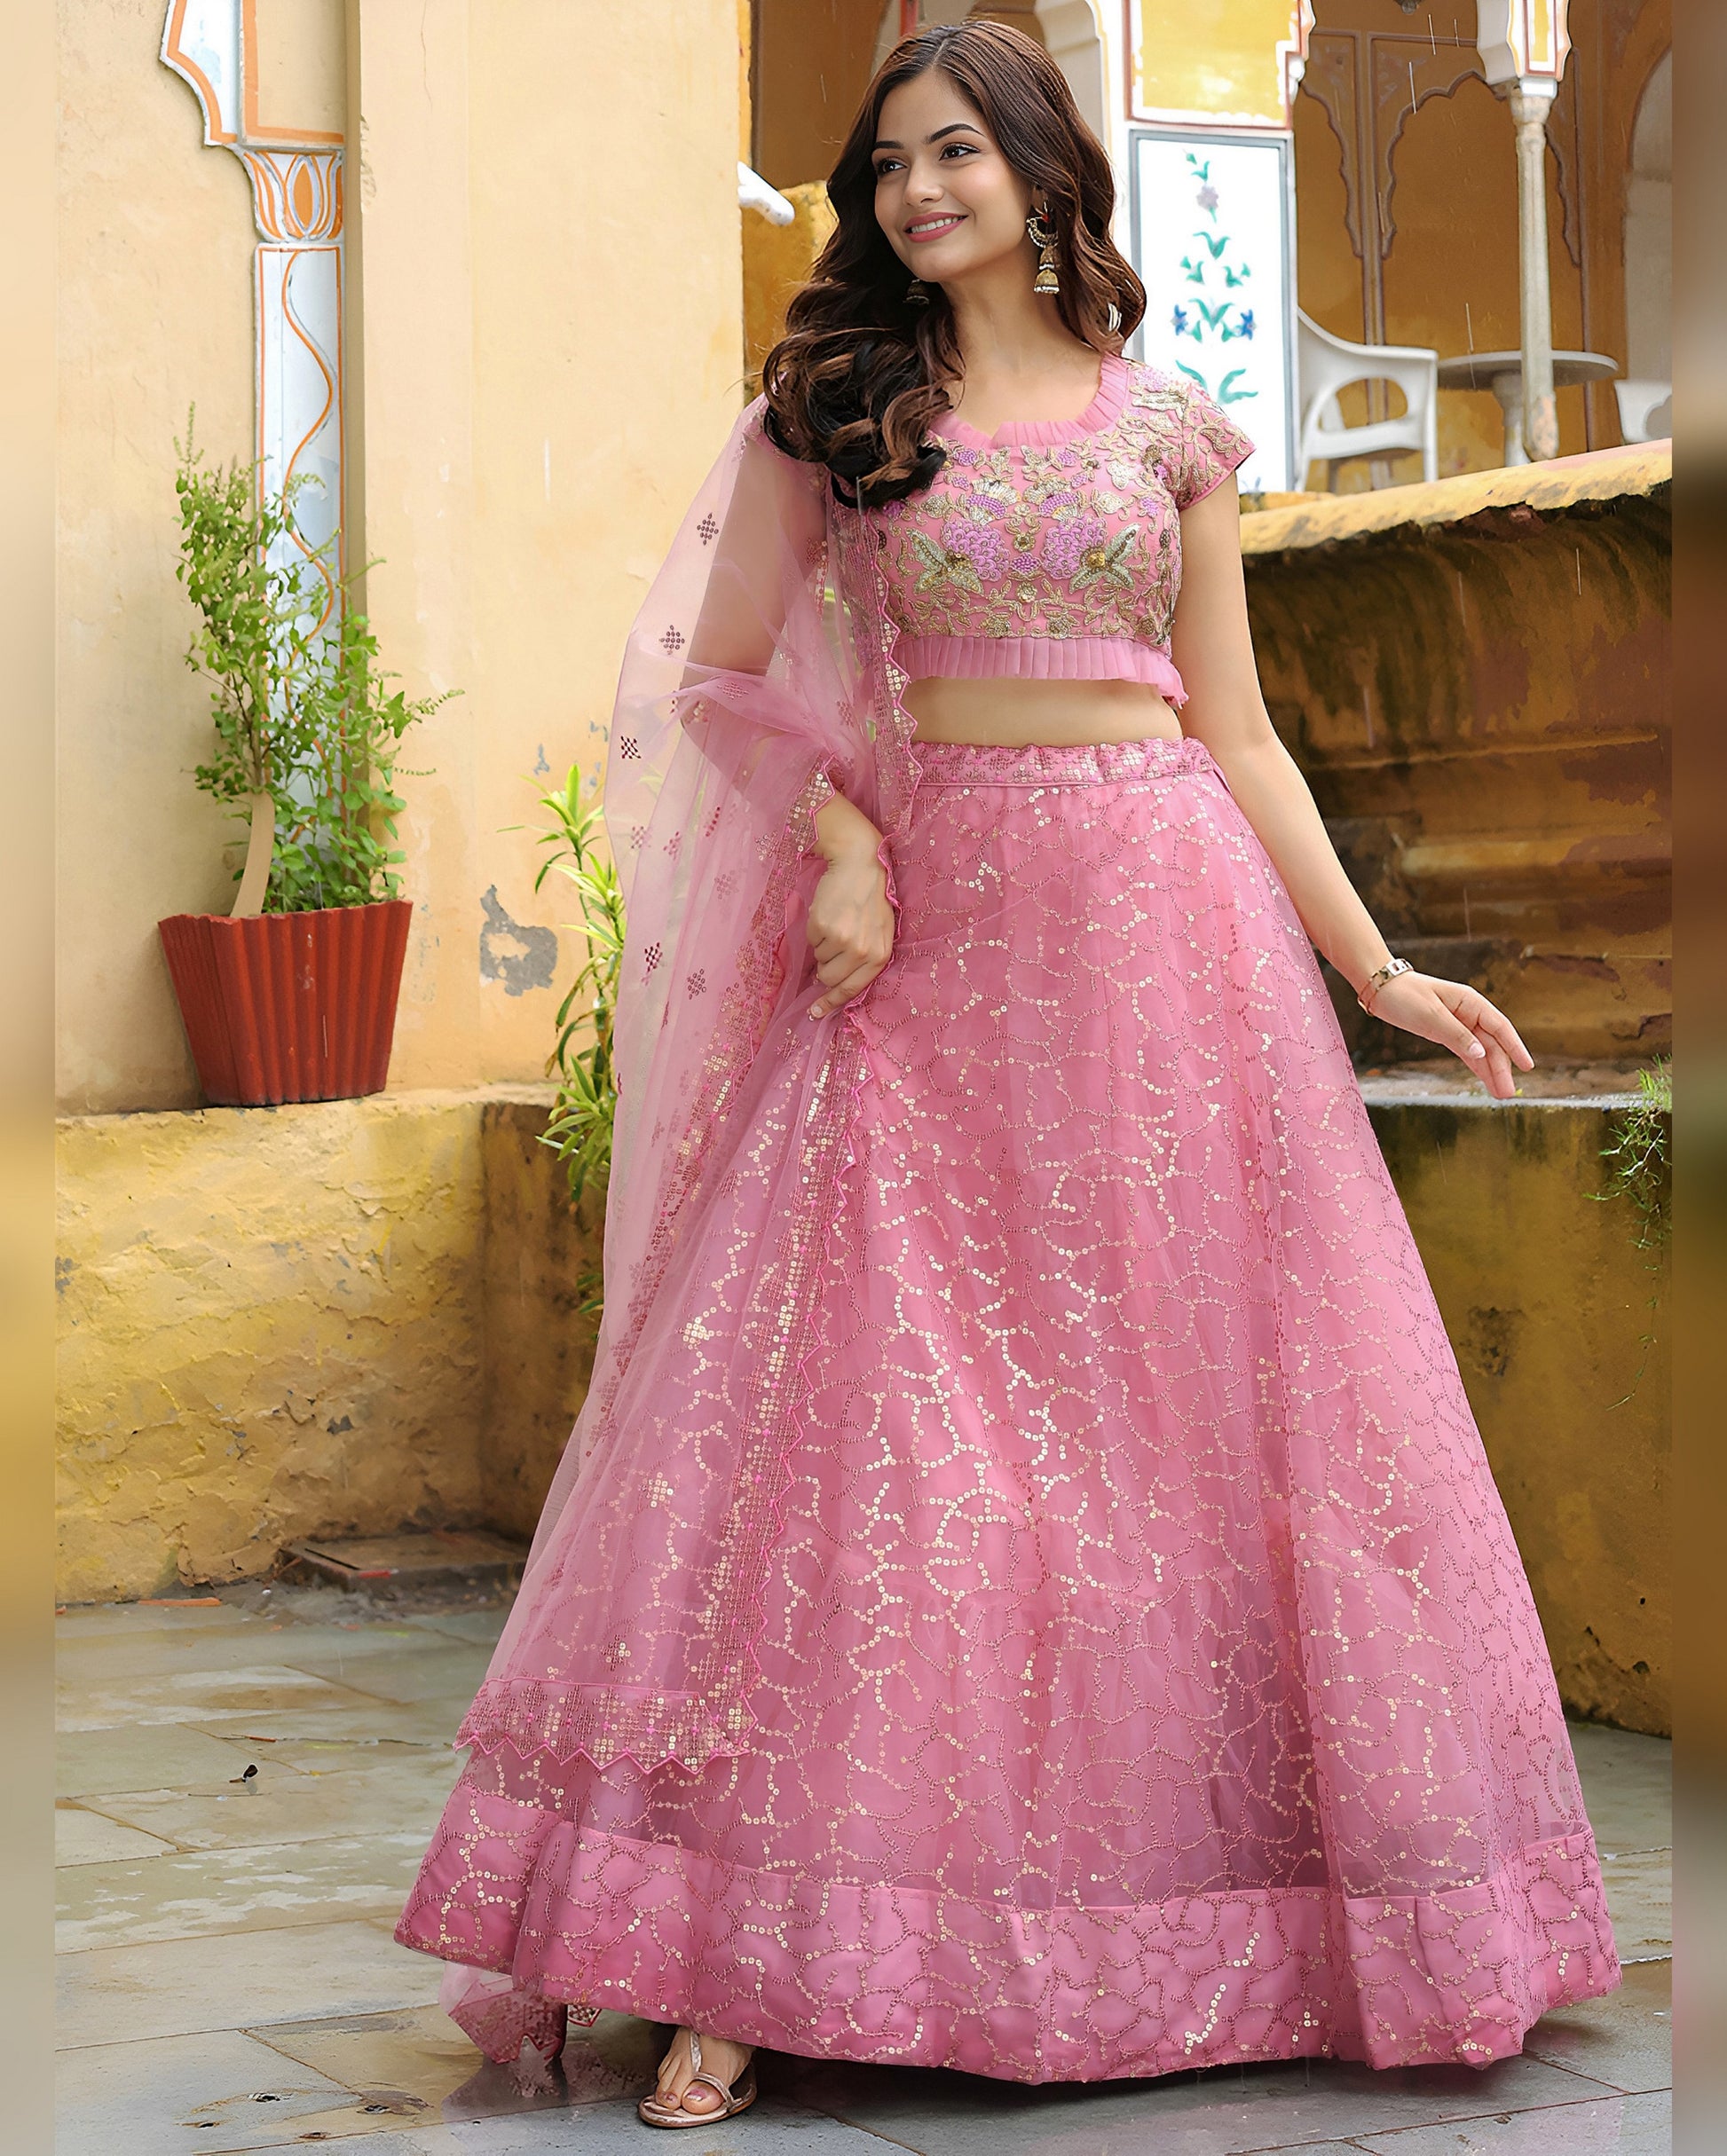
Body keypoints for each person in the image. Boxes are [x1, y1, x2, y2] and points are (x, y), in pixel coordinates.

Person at [397, 21, 1618, 2128]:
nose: (914, 193)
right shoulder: (838, 412)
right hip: (926, 956)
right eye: (886, 167)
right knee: (860, 1443)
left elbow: (1236, 737)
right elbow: (720, 676)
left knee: (1177, 1439)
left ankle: (1251, 1931)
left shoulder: (1173, 432)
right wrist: (850, 845)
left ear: (1044, 170)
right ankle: (747, 1953)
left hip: (1167, 959)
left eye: (953, 152)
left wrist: (1378, 964)